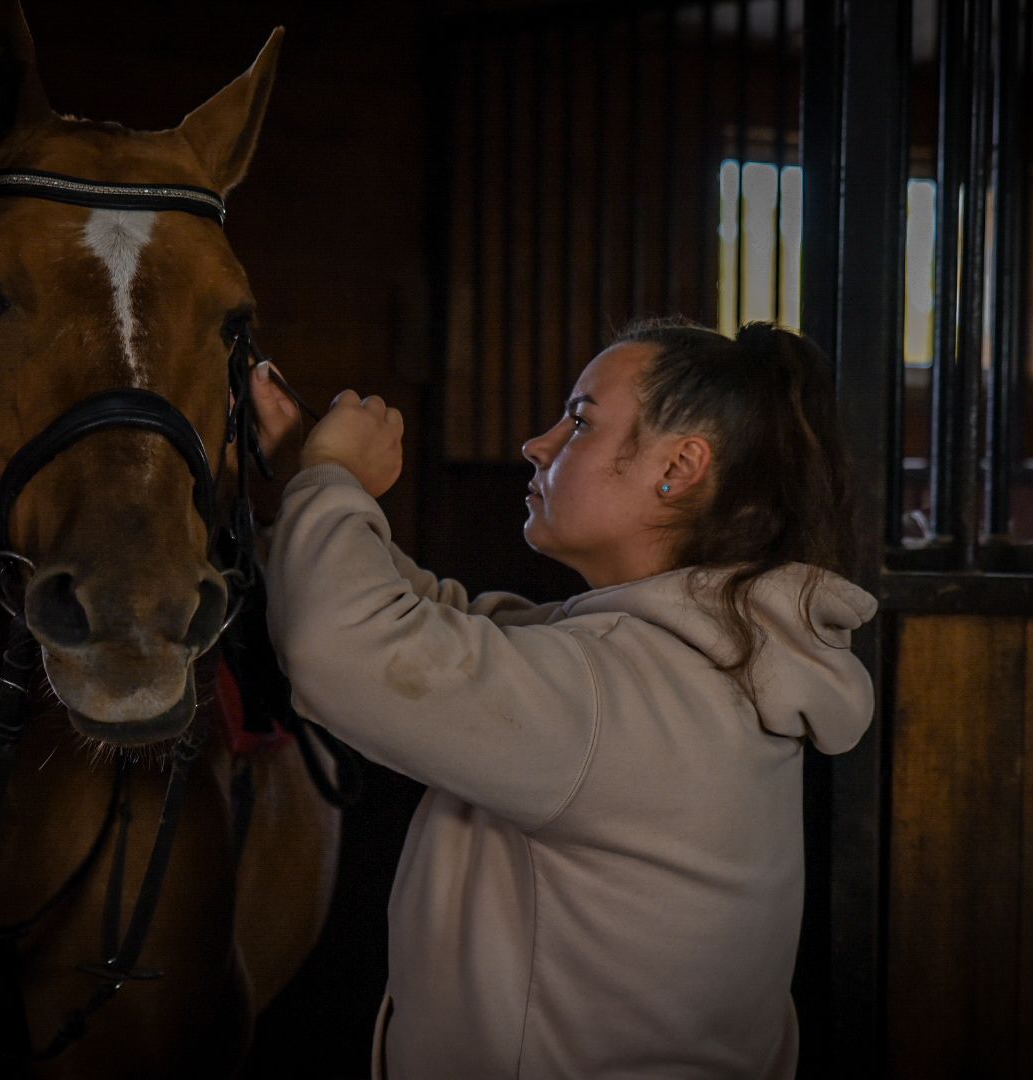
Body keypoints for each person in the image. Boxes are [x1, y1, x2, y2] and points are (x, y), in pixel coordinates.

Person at [247, 318, 877, 1079]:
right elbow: (451, 631)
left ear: (678, 465)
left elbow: (342, 647)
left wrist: (336, 480)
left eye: (579, 420)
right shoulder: (694, 662)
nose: (537, 444)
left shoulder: (616, 693)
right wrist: (305, 479)